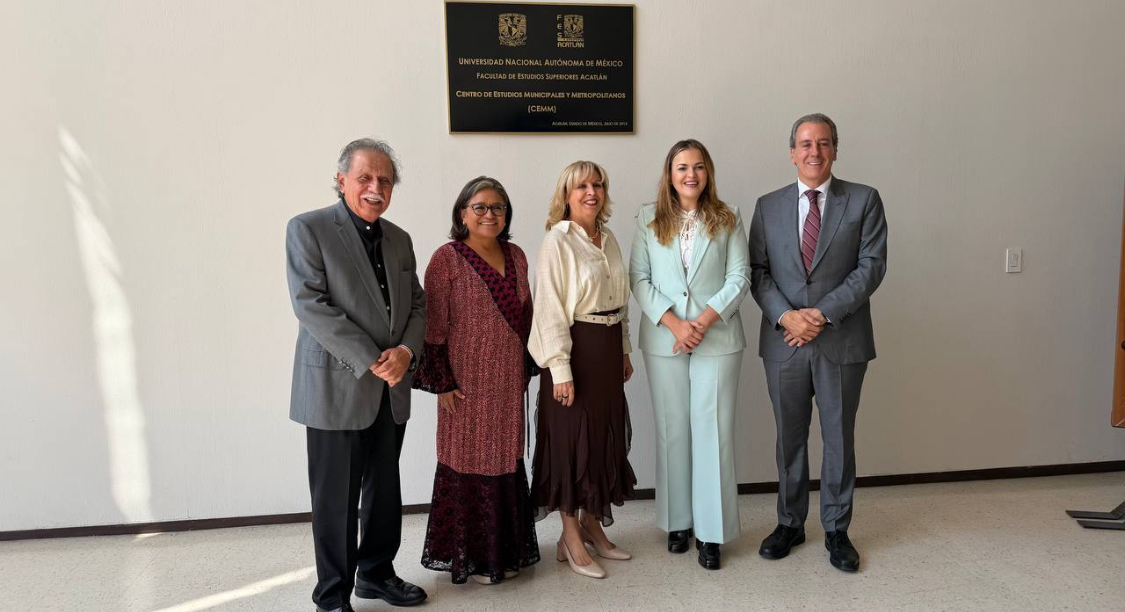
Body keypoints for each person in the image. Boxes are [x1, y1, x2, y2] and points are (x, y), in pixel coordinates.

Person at [286, 138, 428, 611]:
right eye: (365, 177)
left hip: (391, 388)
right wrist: (372, 357)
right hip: (335, 388)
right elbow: (311, 304)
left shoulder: (400, 239)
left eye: (384, 180)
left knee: (385, 491)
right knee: (336, 501)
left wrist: (406, 351)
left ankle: (376, 575)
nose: (375, 187)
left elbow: (418, 305)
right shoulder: (308, 228)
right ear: (342, 178)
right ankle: (331, 596)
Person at [748, 114, 888, 572]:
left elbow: (871, 266)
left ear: (835, 150)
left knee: (837, 439)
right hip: (784, 342)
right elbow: (759, 272)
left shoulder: (864, 200)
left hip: (841, 340)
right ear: (792, 153)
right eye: (805, 144)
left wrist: (821, 314)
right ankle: (789, 522)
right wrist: (788, 316)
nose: (814, 152)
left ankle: (837, 530)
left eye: (823, 143)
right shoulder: (767, 206)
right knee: (788, 440)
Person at [629, 139, 751, 570]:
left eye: (698, 167)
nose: (691, 175)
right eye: (682, 167)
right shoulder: (647, 219)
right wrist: (676, 323)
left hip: (716, 337)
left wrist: (702, 321)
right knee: (672, 429)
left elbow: (740, 276)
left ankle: (712, 533)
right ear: (670, 173)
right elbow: (639, 279)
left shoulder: (729, 217)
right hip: (665, 338)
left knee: (712, 431)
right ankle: (677, 521)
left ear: (708, 172)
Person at [412, 176, 540, 585]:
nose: (490, 214)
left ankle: (505, 553)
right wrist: (442, 382)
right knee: (468, 459)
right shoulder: (446, 259)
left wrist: (527, 367)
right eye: (480, 207)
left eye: (498, 207)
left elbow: (527, 316)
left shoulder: (517, 255)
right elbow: (433, 327)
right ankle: (472, 559)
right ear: (462, 213)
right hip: (463, 384)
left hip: (506, 381)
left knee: (505, 458)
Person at [528, 160, 637, 579]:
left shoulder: (607, 238)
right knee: (571, 441)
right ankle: (569, 535)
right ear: (567, 195)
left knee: (599, 438)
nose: (591, 192)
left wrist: (625, 350)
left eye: (598, 184)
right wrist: (560, 369)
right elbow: (550, 307)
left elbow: (620, 302)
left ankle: (592, 523)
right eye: (582, 186)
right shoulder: (558, 240)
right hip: (575, 351)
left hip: (608, 350)